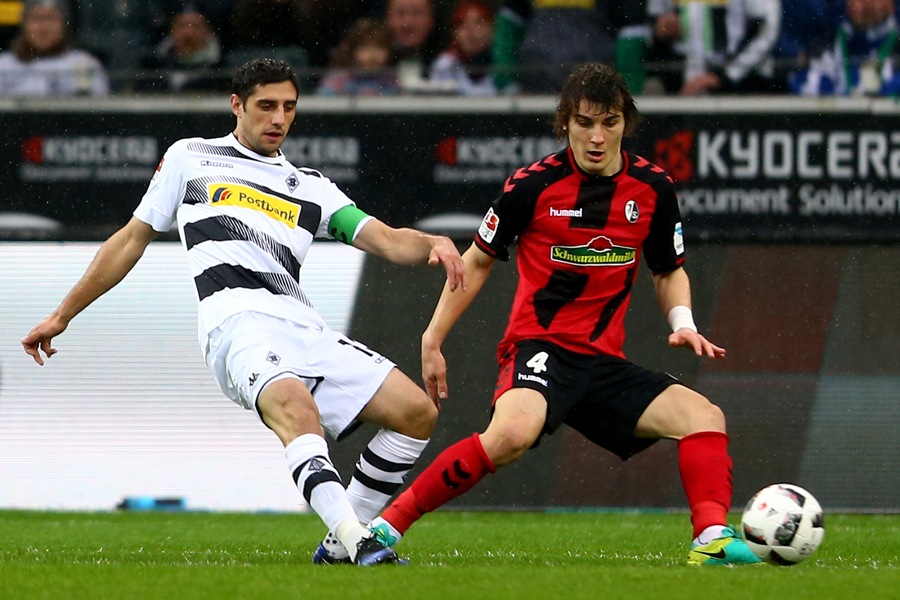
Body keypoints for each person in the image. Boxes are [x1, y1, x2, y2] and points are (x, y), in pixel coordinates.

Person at [21, 58, 467, 567]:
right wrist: (63, 315)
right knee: (299, 412)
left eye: (289, 107)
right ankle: (358, 539)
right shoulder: (192, 158)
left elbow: (384, 238)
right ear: (237, 105)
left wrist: (432, 241)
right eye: (266, 106)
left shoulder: (310, 187)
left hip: (303, 327)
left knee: (416, 414)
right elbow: (130, 239)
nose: (278, 118)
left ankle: (341, 543)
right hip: (237, 323)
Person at [366, 62, 763, 566]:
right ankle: (383, 529)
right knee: (510, 436)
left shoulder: (654, 188)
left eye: (610, 122)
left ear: (626, 123)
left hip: (602, 363)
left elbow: (668, 270)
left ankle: (710, 540)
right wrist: (432, 337)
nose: (597, 137)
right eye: (584, 123)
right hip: (540, 349)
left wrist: (682, 322)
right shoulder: (531, 186)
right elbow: (478, 261)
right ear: (565, 123)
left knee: (704, 417)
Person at [491, 0, 648, 95]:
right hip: (533, 93)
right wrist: (508, 86)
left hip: (594, 96)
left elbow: (630, 43)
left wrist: (625, 95)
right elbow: (506, 33)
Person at [644, 0, 783, 96]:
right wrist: (659, 32)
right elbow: (652, 22)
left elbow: (766, 30)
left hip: (739, 84)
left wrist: (726, 75)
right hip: (678, 80)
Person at [788, 0, 900, 96]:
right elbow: (799, 83)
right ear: (847, 3)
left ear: (891, 4)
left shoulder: (896, 45)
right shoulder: (827, 44)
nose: (868, 3)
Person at [0, 0, 109, 96]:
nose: (43, 27)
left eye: (50, 18)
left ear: (64, 24)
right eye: (36, 18)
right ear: (24, 25)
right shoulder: (4, 65)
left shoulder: (84, 64)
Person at [137, 1, 228, 93]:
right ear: (171, 29)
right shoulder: (152, 66)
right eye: (182, 25)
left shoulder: (223, 70)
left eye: (196, 26)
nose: (189, 32)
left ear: (208, 31)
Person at [428, 0, 497, 96]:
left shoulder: (504, 63)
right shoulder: (445, 64)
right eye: (462, 24)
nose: (470, 31)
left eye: (478, 23)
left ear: (491, 28)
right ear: (454, 32)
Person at [316, 17, 400, 96]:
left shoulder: (394, 80)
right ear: (353, 50)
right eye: (365, 48)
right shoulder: (337, 79)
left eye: (380, 47)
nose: (372, 55)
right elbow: (321, 102)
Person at [384, 0, 444, 90]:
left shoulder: (449, 60)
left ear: (431, 20)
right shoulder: (370, 61)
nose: (408, 23)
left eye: (417, 13)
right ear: (388, 19)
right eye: (400, 13)